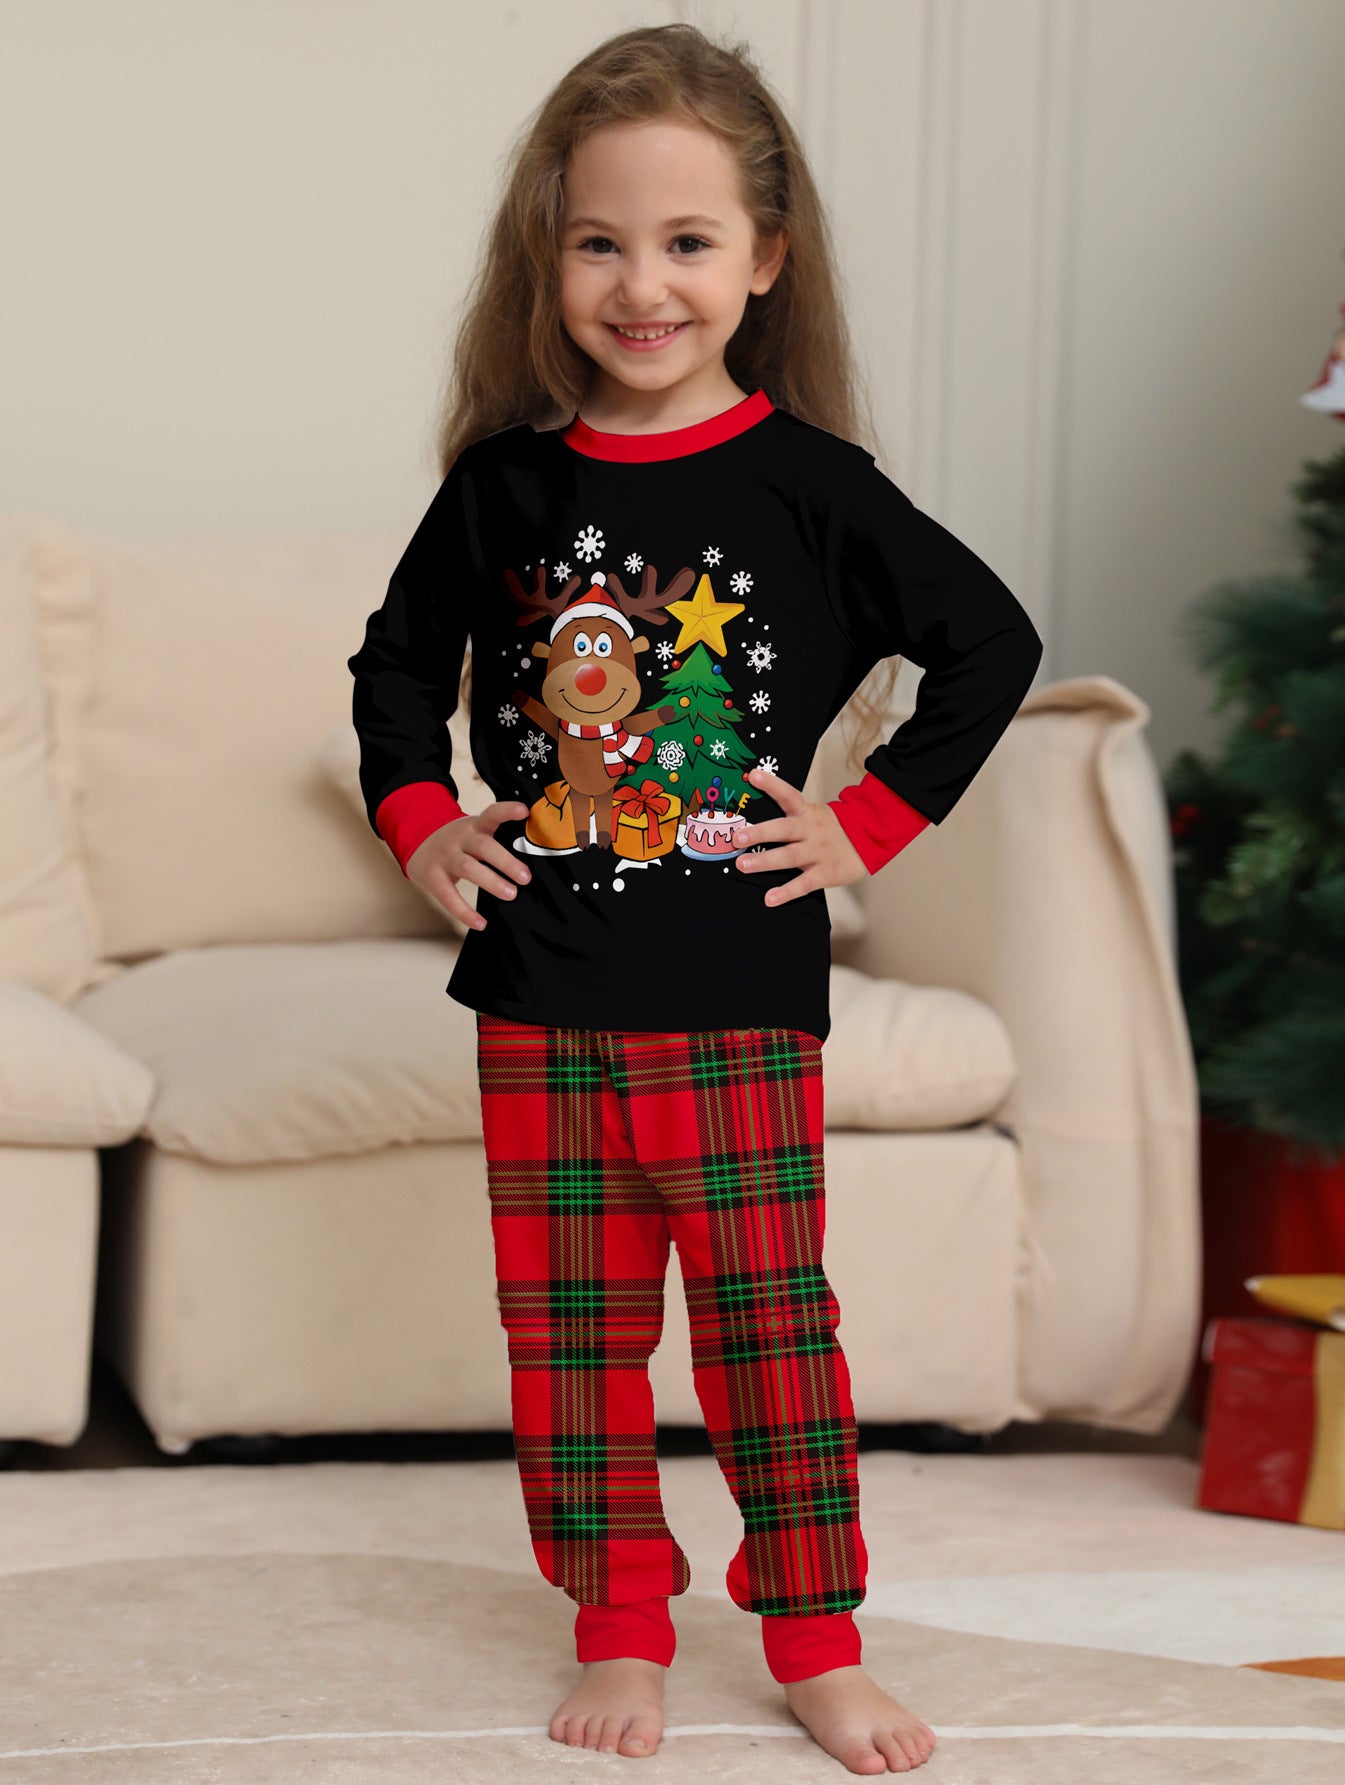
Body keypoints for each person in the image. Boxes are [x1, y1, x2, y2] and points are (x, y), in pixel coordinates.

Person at [348, 21, 1042, 1775]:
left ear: (764, 259)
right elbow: (392, 669)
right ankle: (619, 1619)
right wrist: (421, 819)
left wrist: (868, 821)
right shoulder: (504, 486)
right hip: (536, 995)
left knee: (764, 1328)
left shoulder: (809, 486)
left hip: (732, 992)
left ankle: (813, 1637)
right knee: (571, 1343)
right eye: (598, 241)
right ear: (547, 254)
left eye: (685, 241)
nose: (640, 284)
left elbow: (988, 641)